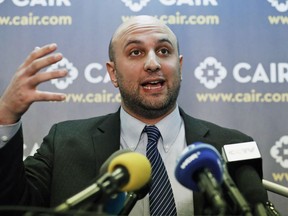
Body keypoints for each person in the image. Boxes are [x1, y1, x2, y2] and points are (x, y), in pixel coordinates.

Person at [0, 15, 265, 215]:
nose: (153, 63)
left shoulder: (232, 145)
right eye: (136, 52)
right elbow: (14, 204)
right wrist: (5, 117)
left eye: (164, 51)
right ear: (113, 73)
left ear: (180, 66)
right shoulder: (64, 143)